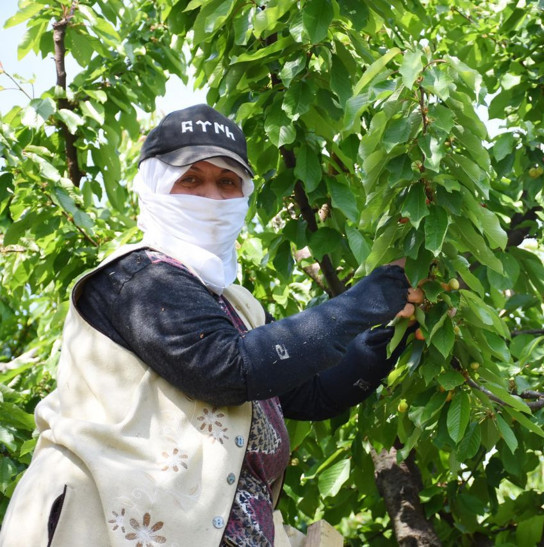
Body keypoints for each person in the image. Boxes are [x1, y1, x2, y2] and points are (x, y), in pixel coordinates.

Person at [0, 104, 420, 547]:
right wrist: (372, 296)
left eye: (227, 183)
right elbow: (226, 369)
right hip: (104, 526)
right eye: (191, 179)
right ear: (157, 186)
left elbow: (312, 392)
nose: (212, 197)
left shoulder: (236, 306)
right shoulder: (138, 278)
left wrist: (394, 329)